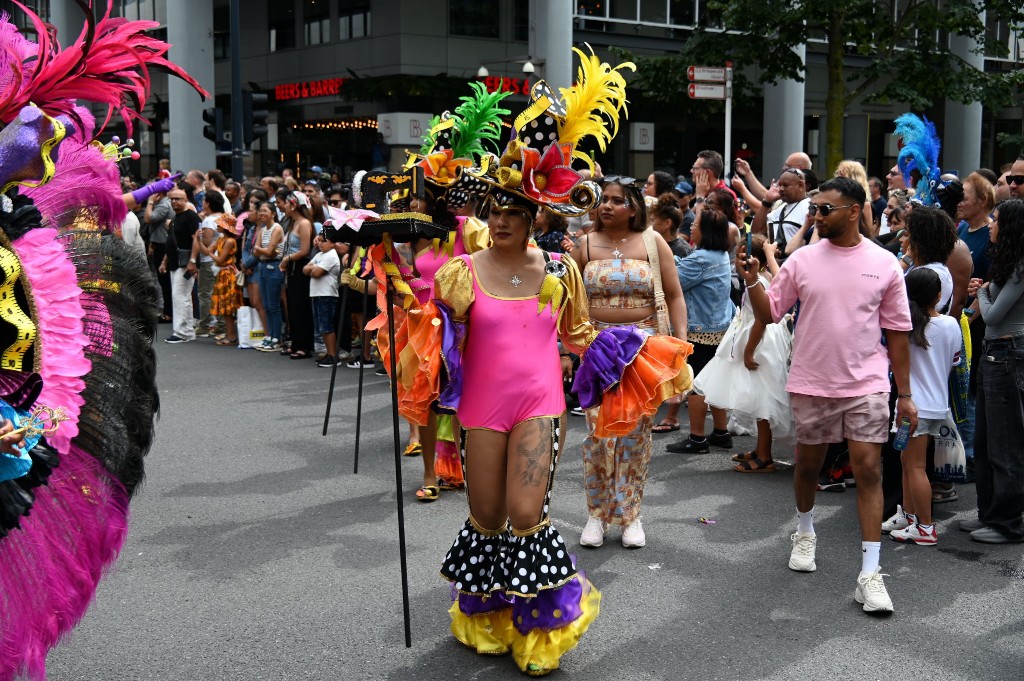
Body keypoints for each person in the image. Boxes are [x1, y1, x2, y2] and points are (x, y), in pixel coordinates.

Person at [738, 176, 915, 614]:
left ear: (854, 211)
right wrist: (753, 280)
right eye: (814, 208)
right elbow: (771, 313)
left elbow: (897, 336)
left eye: (824, 209)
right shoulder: (802, 260)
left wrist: (906, 395)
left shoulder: (885, 262)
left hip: (868, 384)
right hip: (812, 381)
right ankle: (805, 530)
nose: (815, 216)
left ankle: (870, 574)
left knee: (869, 468)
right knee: (809, 466)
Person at [571, 176, 688, 548]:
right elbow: (570, 301)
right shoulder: (584, 244)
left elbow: (674, 295)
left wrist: (680, 346)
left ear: (634, 207)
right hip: (596, 350)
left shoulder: (653, 242)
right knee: (597, 433)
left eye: (616, 200)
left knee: (635, 435)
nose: (606, 206)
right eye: (603, 199)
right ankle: (597, 513)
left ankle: (630, 514)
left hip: (644, 349)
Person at [694, 234, 793, 472]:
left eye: (740, 255)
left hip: (759, 343)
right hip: (761, 339)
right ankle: (760, 449)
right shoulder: (766, 277)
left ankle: (765, 456)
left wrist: (748, 351)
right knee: (759, 399)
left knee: (763, 402)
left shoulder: (755, 283)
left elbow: (760, 320)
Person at [881, 268, 961, 545]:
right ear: (939, 296)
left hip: (911, 409)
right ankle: (909, 516)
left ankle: (925, 527)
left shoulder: (904, 326)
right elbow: (955, 362)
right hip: (935, 406)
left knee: (914, 466)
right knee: (907, 462)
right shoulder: (951, 325)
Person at [963, 199, 1024, 544]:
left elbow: (994, 314)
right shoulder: (1008, 261)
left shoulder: (1019, 264)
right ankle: (989, 514)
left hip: (1009, 353)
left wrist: (982, 291)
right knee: (985, 442)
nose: (990, 224)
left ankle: (1008, 522)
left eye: (996, 219)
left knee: (1005, 444)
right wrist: (984, 292)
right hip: (994, 354)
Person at [665, 208, 737, 453]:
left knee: (696, 385)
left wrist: (668, 257)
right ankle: (720, 432)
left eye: (695, 224)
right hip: (719, 328)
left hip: (700, 330)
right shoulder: (720, 255)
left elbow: (673, 281)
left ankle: (697, 438)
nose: (691, 228)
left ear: (705, 231)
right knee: (714, 382)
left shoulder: (702, 258)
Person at [276, 188, 316, 360]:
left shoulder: (305, 224)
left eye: (286, 203)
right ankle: (296, 342)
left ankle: (304, 345)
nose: (283, 206)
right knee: (291, 306)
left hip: (300, 266)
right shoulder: (291, 223)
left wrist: (287, 258)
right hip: (291, 266)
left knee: (300, 306)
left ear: (293, 205)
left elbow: (305, 250)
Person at [159, 187, 201, 344]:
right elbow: (171, 242)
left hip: (185, 263)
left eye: (178, 198)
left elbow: (196, 239)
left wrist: (193, 261)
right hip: (176, 262)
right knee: (180, 296)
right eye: (172, 199)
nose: (174, 201)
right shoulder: (176, 218)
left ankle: (182, 332)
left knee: (180, 296)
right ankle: (185, 331)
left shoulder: (191, 217)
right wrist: (165, 261)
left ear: (186, 200)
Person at [251, 201, 285, 351]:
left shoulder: (277, 228)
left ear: (273, 213)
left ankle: (276, 337)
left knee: (274, 305)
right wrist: (260, 249)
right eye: (260, 211)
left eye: (265, 211)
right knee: (266, 305)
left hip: (274, 266)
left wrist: (260, 249)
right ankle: (269, 335)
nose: (262, 214)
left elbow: (271, 251)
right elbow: (255, 251)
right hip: (263, 266)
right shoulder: (262, 229)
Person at [304, 234, 342, 367]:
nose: (320, 244)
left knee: (327, 326)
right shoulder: (319, 255)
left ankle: (333, 356)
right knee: (322, 327)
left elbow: (316, 273)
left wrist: (313, 268)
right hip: (317, 294)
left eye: (324, 241)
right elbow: (305, 269)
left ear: (332, 243)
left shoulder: (331, 255)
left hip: (327, 294)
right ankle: (329, 353)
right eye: (319, 241)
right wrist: (313, 268)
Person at [207, 214, 243, 346]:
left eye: (219, 223)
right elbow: (208, 251)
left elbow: (220, 259)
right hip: (222, 274)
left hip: (228, 275)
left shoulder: (229, 241)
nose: (217, 225)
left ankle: (232, 336)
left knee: (228, 307)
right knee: (225, 307)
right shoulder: (221, 240)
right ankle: (230, 334)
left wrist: (211, 254)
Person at [649, 193, 692, 259]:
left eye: (652, 220)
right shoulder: (654, 244)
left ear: (667, 223)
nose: (649, 225)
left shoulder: (682, 252)